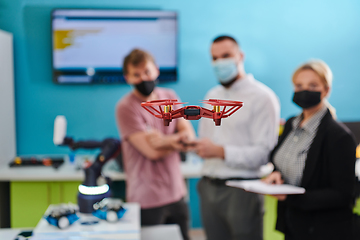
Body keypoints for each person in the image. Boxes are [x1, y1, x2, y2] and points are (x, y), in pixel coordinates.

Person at [194, 35, 280, 240]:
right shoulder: (211, 94)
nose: (219, 63)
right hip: (209, 187)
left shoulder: (262, 97)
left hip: (242, 190)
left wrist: (221, 152)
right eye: (214, 58)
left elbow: (264, 153)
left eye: (226, 56)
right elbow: (205, 140)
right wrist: (193, 146)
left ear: (240, 56)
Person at [263, 60, 357, 240]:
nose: (304, 90)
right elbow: (280, 160)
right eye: (299, 85)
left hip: (324, 230)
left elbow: (344, 195)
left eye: (312, 85)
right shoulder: (291, 124)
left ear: (326, 90)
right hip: (292, 225)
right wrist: (276, 174)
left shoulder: (339, 136)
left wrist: (289, 197)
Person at [115, 49, 195, 240]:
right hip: (146, 198)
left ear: (157, 71)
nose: (143, 78)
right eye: (136, 74)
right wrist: (177, 141)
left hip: (176, 192)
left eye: (147, 72)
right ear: (127, 78)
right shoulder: (126, 107)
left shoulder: (170, 96)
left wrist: (164, 140)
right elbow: (152, 152)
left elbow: (190, 137)